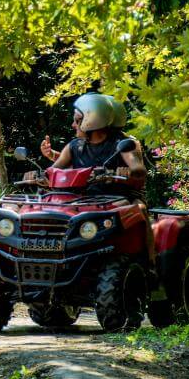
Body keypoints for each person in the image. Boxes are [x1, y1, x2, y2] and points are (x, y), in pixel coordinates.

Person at [51, 93, 154, 261]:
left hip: (122, 198)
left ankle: (150, 262)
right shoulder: (74, 147)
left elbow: (138, 168)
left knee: (140, 209)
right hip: (83, 200)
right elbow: (53, 171)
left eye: (77, 120)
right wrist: (39, 175)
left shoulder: (123, 143)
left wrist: (127, 172)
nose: (73, 125)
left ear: (92, 120)